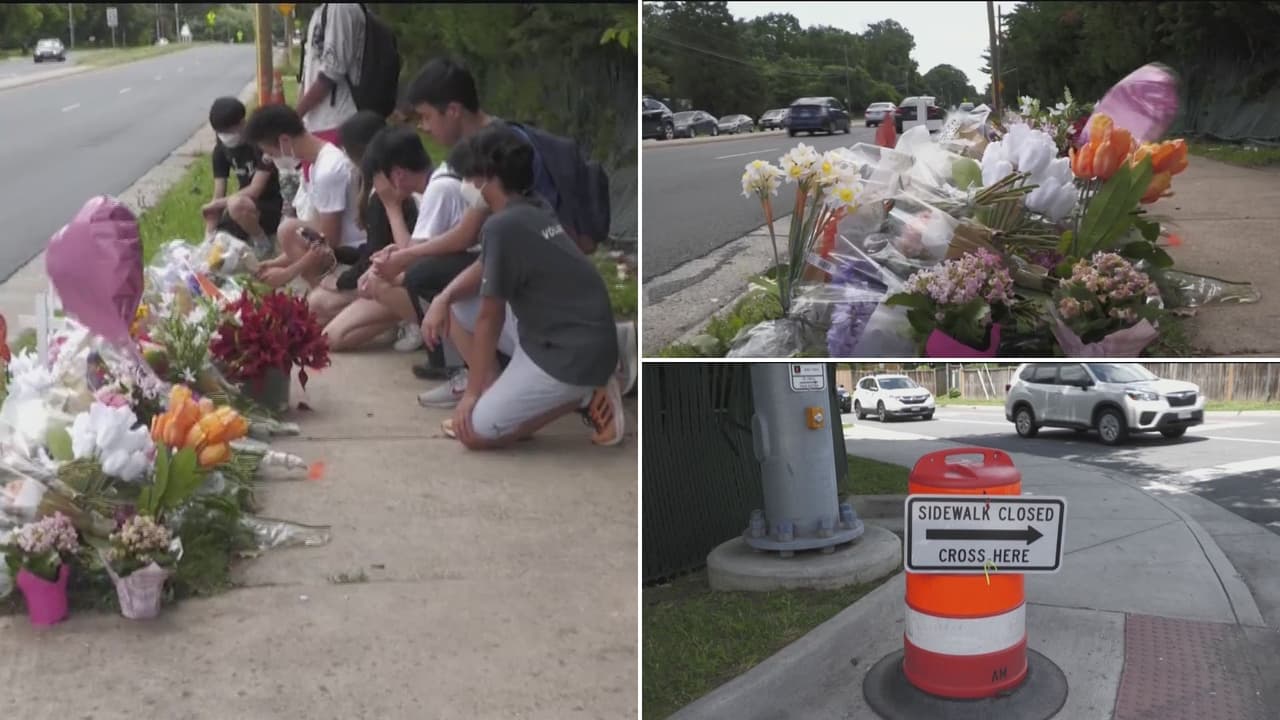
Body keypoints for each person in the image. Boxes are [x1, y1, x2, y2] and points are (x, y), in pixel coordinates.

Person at [423, 125, 624, 449]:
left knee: (474, 433)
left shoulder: (502, 226)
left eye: (471, 176)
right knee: (458, 306)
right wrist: (442, 298)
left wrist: (471, 396)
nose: (468, 185)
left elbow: (491, 317)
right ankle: (500, 395)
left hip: (570, 352)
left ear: (487, 176)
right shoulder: (534, 205)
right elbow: (486, 265)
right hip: (570, 331)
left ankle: (586, 395)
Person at [243, 104, 366, 316]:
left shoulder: (328, 169)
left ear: (284, 141)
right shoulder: (318, 161)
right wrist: (276, 262)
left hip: (354, 250)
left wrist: (288, 273)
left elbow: (328, 240)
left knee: (288, 230)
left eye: (270, 153)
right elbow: (317, 227)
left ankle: (335, 299)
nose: (272, 160)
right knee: (289, 230)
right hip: (337, 245)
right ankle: (325, 296)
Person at [202, 97, 284, 258]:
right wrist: (209, 234)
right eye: (222, 133)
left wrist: (219, 203)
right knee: (220, 241)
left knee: (235, 204)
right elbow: (218, 193)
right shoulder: (221, 150)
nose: (226, 137)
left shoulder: (260, 143)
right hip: (245, 207)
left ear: (242, 123)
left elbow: (255, 189)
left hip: (271, 203)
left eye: (229, 131)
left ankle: (263, 242)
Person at [295, 3, 365, 150]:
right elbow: (310, 69)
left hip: (337, 121)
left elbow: (332, 72)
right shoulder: (322, 11)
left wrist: (296, 115)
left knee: (331, 172)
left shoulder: (341, 8)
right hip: (317, 121)